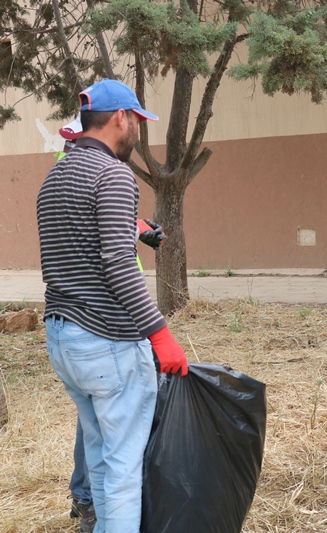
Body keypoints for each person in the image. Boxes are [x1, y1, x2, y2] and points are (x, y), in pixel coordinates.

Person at [37, 78, 188, 533]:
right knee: (124, 472)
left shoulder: (56, 176)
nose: (139, 132)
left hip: (64, 341)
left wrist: (132, 224)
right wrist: (160, 334)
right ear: (120, 117)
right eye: (138, 121)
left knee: (102, 462)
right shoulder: (115, 174)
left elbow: (76, 248)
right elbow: (119, 265)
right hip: (108, 345)